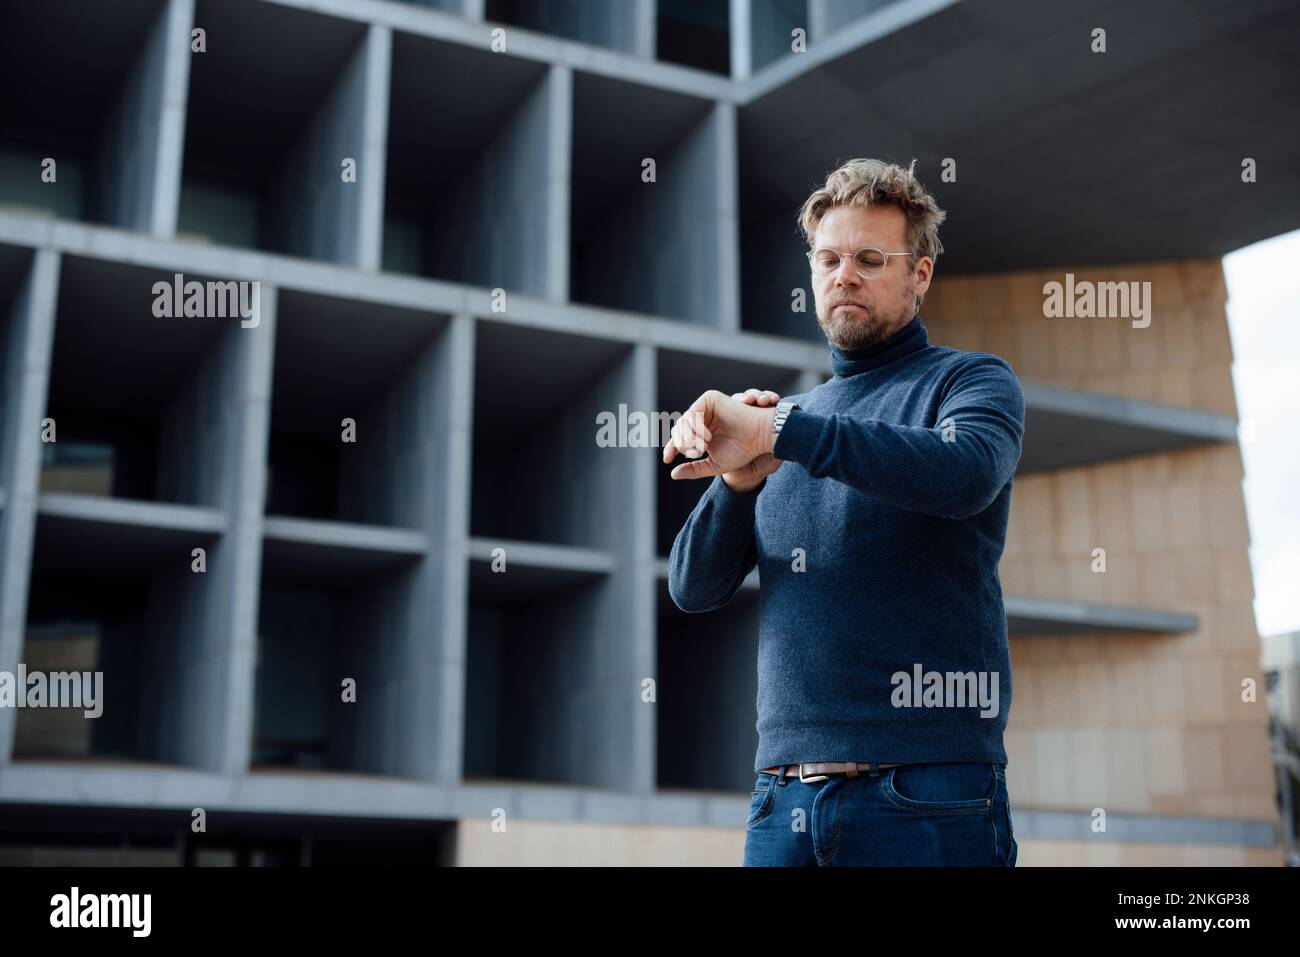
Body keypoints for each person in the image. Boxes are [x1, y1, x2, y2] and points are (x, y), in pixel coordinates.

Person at [663, 158, 1023, 866]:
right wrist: (737, 481)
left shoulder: (970, 381)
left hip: (929, 792)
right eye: (828, 258)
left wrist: (782, 433)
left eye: (869, 258)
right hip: (782, 799)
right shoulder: (786, 424)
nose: (844, 275)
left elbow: (964, 473)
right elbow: (691, 586)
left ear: (918, 275)